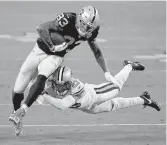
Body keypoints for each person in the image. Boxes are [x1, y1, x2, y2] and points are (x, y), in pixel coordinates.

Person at [9, 6, 118, 136]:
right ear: (79, 18)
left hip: (56, 56)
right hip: (40, 50)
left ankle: (23, 109)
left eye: (88, 27)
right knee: (17, 90)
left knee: (42, 76)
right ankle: (17, 114)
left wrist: (106, 72)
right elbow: (41, 28)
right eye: (83, 24)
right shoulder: (67, 19)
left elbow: (96, 51)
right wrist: (52, 45)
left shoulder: (90, 32)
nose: (84, 29)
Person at [36, 61, 160, 114]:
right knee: (113, 105)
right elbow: (38, 92)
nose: (55, 83)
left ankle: (129, 66)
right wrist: (38, 95)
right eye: (54, 79)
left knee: (116, 87)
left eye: (58, 82)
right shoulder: (51, 81)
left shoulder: (75, 87)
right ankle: (144, 99)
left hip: (95, 94)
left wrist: (44, 95)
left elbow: (62, 105)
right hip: (88, 107)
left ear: (65, 82)